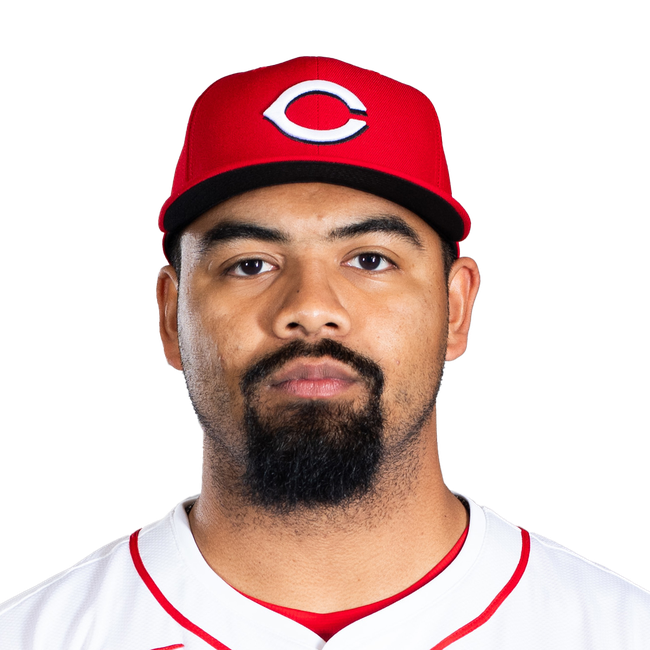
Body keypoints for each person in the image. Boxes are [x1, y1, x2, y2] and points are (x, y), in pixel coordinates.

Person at [1, 55, 647, 649]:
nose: (310, 308)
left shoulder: (619, 630)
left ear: (455, 308)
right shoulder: (32, 636)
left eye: (370, 259)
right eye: (250, 264)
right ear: (170, 317)